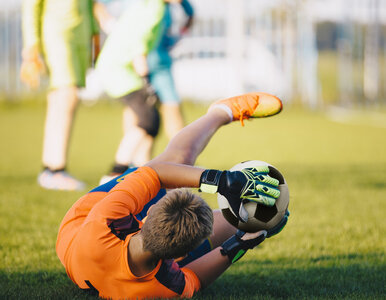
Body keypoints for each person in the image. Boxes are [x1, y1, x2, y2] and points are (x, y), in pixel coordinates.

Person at [56, 92, 287, 299]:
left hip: (79, 223)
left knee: (176, 160)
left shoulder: (105, 220)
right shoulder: (166, 286)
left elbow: (157, 173)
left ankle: (221, 112)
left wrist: (221, 181)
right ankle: (221, 111)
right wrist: (241, 241)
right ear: (184, 255)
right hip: (99, 243)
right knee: (248, 220)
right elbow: (195, 281)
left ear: (152, 209)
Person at [20, 0, 99, 190]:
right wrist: (31, 47)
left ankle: (49, 168)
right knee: (67, 94)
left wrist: (94, 33)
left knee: (59, 98)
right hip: (57, 32)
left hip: (81, 36)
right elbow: (31, 6)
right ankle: (57, 169)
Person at [95, 0, 172, 183]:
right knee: (148, 120)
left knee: (150, 121)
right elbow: (138, 43)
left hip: (119, 69)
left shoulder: (154, 5)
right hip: (119, 71)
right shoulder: (153, 9)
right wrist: (147, 81)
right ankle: (114, 172)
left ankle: (142, 172)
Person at [147, 0, 194, 139]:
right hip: (137, 60)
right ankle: (133, 160)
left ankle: (181, 157)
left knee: (171, 106)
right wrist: (107, 22)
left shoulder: (167, 6)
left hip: (160, 61)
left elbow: (190, 13)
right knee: (140, 112)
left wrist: (179, 35)